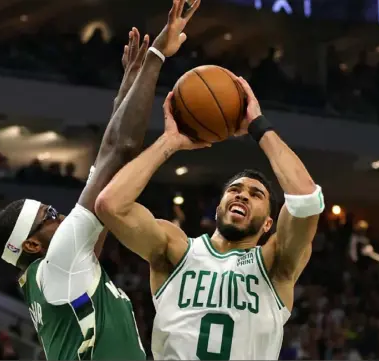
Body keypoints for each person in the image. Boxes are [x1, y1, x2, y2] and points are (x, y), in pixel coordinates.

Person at [0, 0, 200, 357]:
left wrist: (127, 89)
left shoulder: (58, 274)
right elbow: (121, 150)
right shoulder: (59, 261)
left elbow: (109, 168)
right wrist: (157, 55)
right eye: (50, 217)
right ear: (32, 246)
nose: (61, 215)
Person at [95, 77, 325, 359]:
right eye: (235, 189)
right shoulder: (176, 249)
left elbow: (306, 198)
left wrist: (258, 126)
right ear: (219, 206)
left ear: (268, 223)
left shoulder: (276, 264)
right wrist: (169, 142)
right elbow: (110, 205)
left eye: (256, 195)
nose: (242, 195)